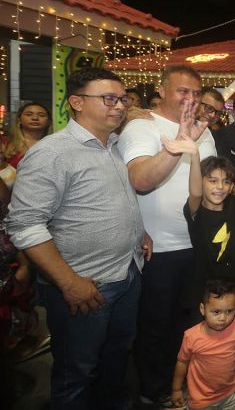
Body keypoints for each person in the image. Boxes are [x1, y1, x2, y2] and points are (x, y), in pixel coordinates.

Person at [7, 67, 146, 409]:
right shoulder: (52, 153)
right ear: (76, 102)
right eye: (108, 98)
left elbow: (113, 200)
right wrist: (68, 283)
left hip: (127, 273)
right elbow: (24, 225)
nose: (119, 106)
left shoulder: (112, 145)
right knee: (76, 374)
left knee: (115, 361)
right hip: (85, 286)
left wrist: (139, 233)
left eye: (122, 99)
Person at [119, 64, 217, 407]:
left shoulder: (205, 132)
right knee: (155, 325)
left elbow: (212, 184)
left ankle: (183, 381)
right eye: (182, 91)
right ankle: (153, 389)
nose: (190, 99)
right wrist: (177, 145)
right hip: (157, 249)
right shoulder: (142, 126)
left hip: (198, 245)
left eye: (195, 92)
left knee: (189, 321)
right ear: (161, 90)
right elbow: (141, 180)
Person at [161, 131, 235, 318]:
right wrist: (194, 154)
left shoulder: (234, 205)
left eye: (225, 182)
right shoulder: (196, 211)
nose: (220, 187)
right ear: (203, 182)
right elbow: (196, 193)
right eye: (213, 181)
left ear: (232, 186)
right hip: (206, 293)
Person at [170, 279, 235, 409]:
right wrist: (176, 389)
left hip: (230, 391)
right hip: (202, 397)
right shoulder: (192, 336)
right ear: (203, 309)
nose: (223, 318)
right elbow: (182, 362)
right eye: (216, 312)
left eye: (229, 311)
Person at [4, 102, 52, 167]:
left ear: (49, 121)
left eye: (41, 115)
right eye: (29, 114)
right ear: (19, 120)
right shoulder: (5, 143)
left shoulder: (57, 144)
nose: (35, 118)